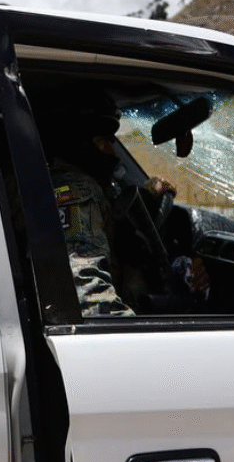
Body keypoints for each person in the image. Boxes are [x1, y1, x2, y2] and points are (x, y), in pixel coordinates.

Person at [41, 90, 181, 317]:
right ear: (77, 144)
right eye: (102, 141)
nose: (112, 151)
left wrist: (145, 196)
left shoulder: (52, 181)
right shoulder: (77, 190)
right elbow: (87, 297)